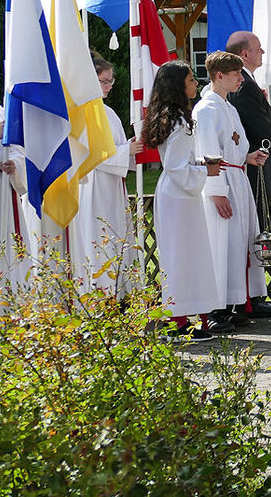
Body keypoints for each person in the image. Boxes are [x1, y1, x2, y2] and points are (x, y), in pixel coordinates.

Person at [142, 61, 227, 341]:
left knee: (188, 255)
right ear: (178, 85)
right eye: (191, 79)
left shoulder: (173, 117)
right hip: (179, 195)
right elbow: (178, 168)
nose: (195, 84)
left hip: (177, 194)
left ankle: (189, 317)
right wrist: (206, 170)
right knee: (183, 256)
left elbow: (177, 162)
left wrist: (200, 164)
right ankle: (178, 322)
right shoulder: (179, 120)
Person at [193, 51, 271, 329]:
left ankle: (230, 303)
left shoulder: (228, 107)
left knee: (237, 244)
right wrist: (216, 191)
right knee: (220, 243)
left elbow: (232, 145)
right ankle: (214, 310)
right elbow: (207, 152)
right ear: (219, 76)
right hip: (221, 181)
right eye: (236, 74)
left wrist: (248, 157)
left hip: (237, 179)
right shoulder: (206, 109)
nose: (241, 78)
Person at [226, 30, 271, 317]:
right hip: (255, 171)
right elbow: (260, 130)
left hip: (260, 168)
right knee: (255, 234)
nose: (263, 53)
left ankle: (255, 294)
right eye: (259, 49)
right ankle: (249, 298)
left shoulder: (249, 85)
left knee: (259, 231)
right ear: (244, 55)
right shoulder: (244, 88)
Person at [67, 53, 143, 298]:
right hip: (94, 185)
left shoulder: (108, 112)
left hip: (113, 186)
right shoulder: (82, 111)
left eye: (111, 81)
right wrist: (124, 152)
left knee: (116, 237)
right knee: (98, 237)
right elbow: (89, 154)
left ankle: (119, 292)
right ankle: (98, 292)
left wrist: (129, 147)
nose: (109, 86)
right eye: (104, 81)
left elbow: (115, 146)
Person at [0, 57, 29, 309]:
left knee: (9, 252)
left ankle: (10, 308)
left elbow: (18, 147)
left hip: (4, 194)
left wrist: (14, 166)